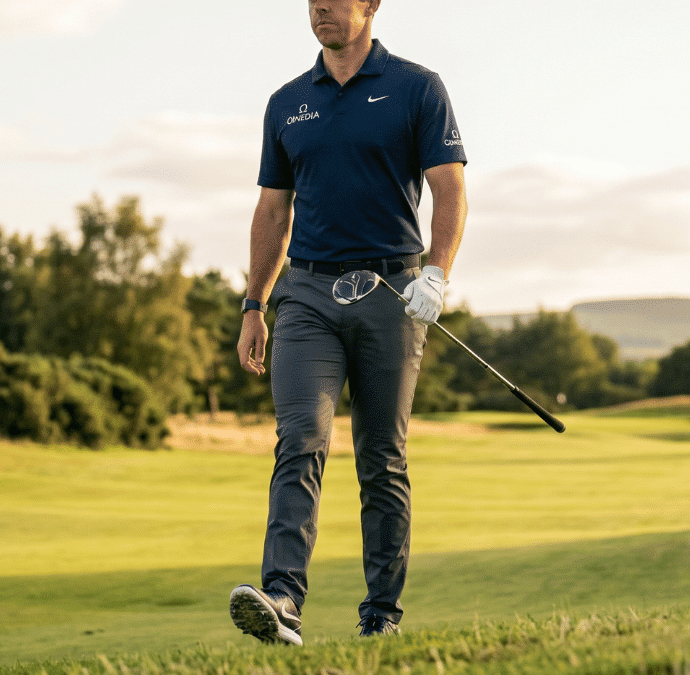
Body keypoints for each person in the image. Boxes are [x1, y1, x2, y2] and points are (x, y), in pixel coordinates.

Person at [229, 0, 468, 645]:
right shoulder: (286, 103)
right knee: (300, 437)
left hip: (390, 286)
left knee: (381, 457)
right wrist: (255, 303)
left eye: (335, 0)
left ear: (371, 5)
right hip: (305, 293)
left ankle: (381, 617)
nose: (321, 11)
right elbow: (273, 209)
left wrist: (436, 274)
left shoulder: (417, 87)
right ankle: (281, 598)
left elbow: (448, 186)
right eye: (311, 2)